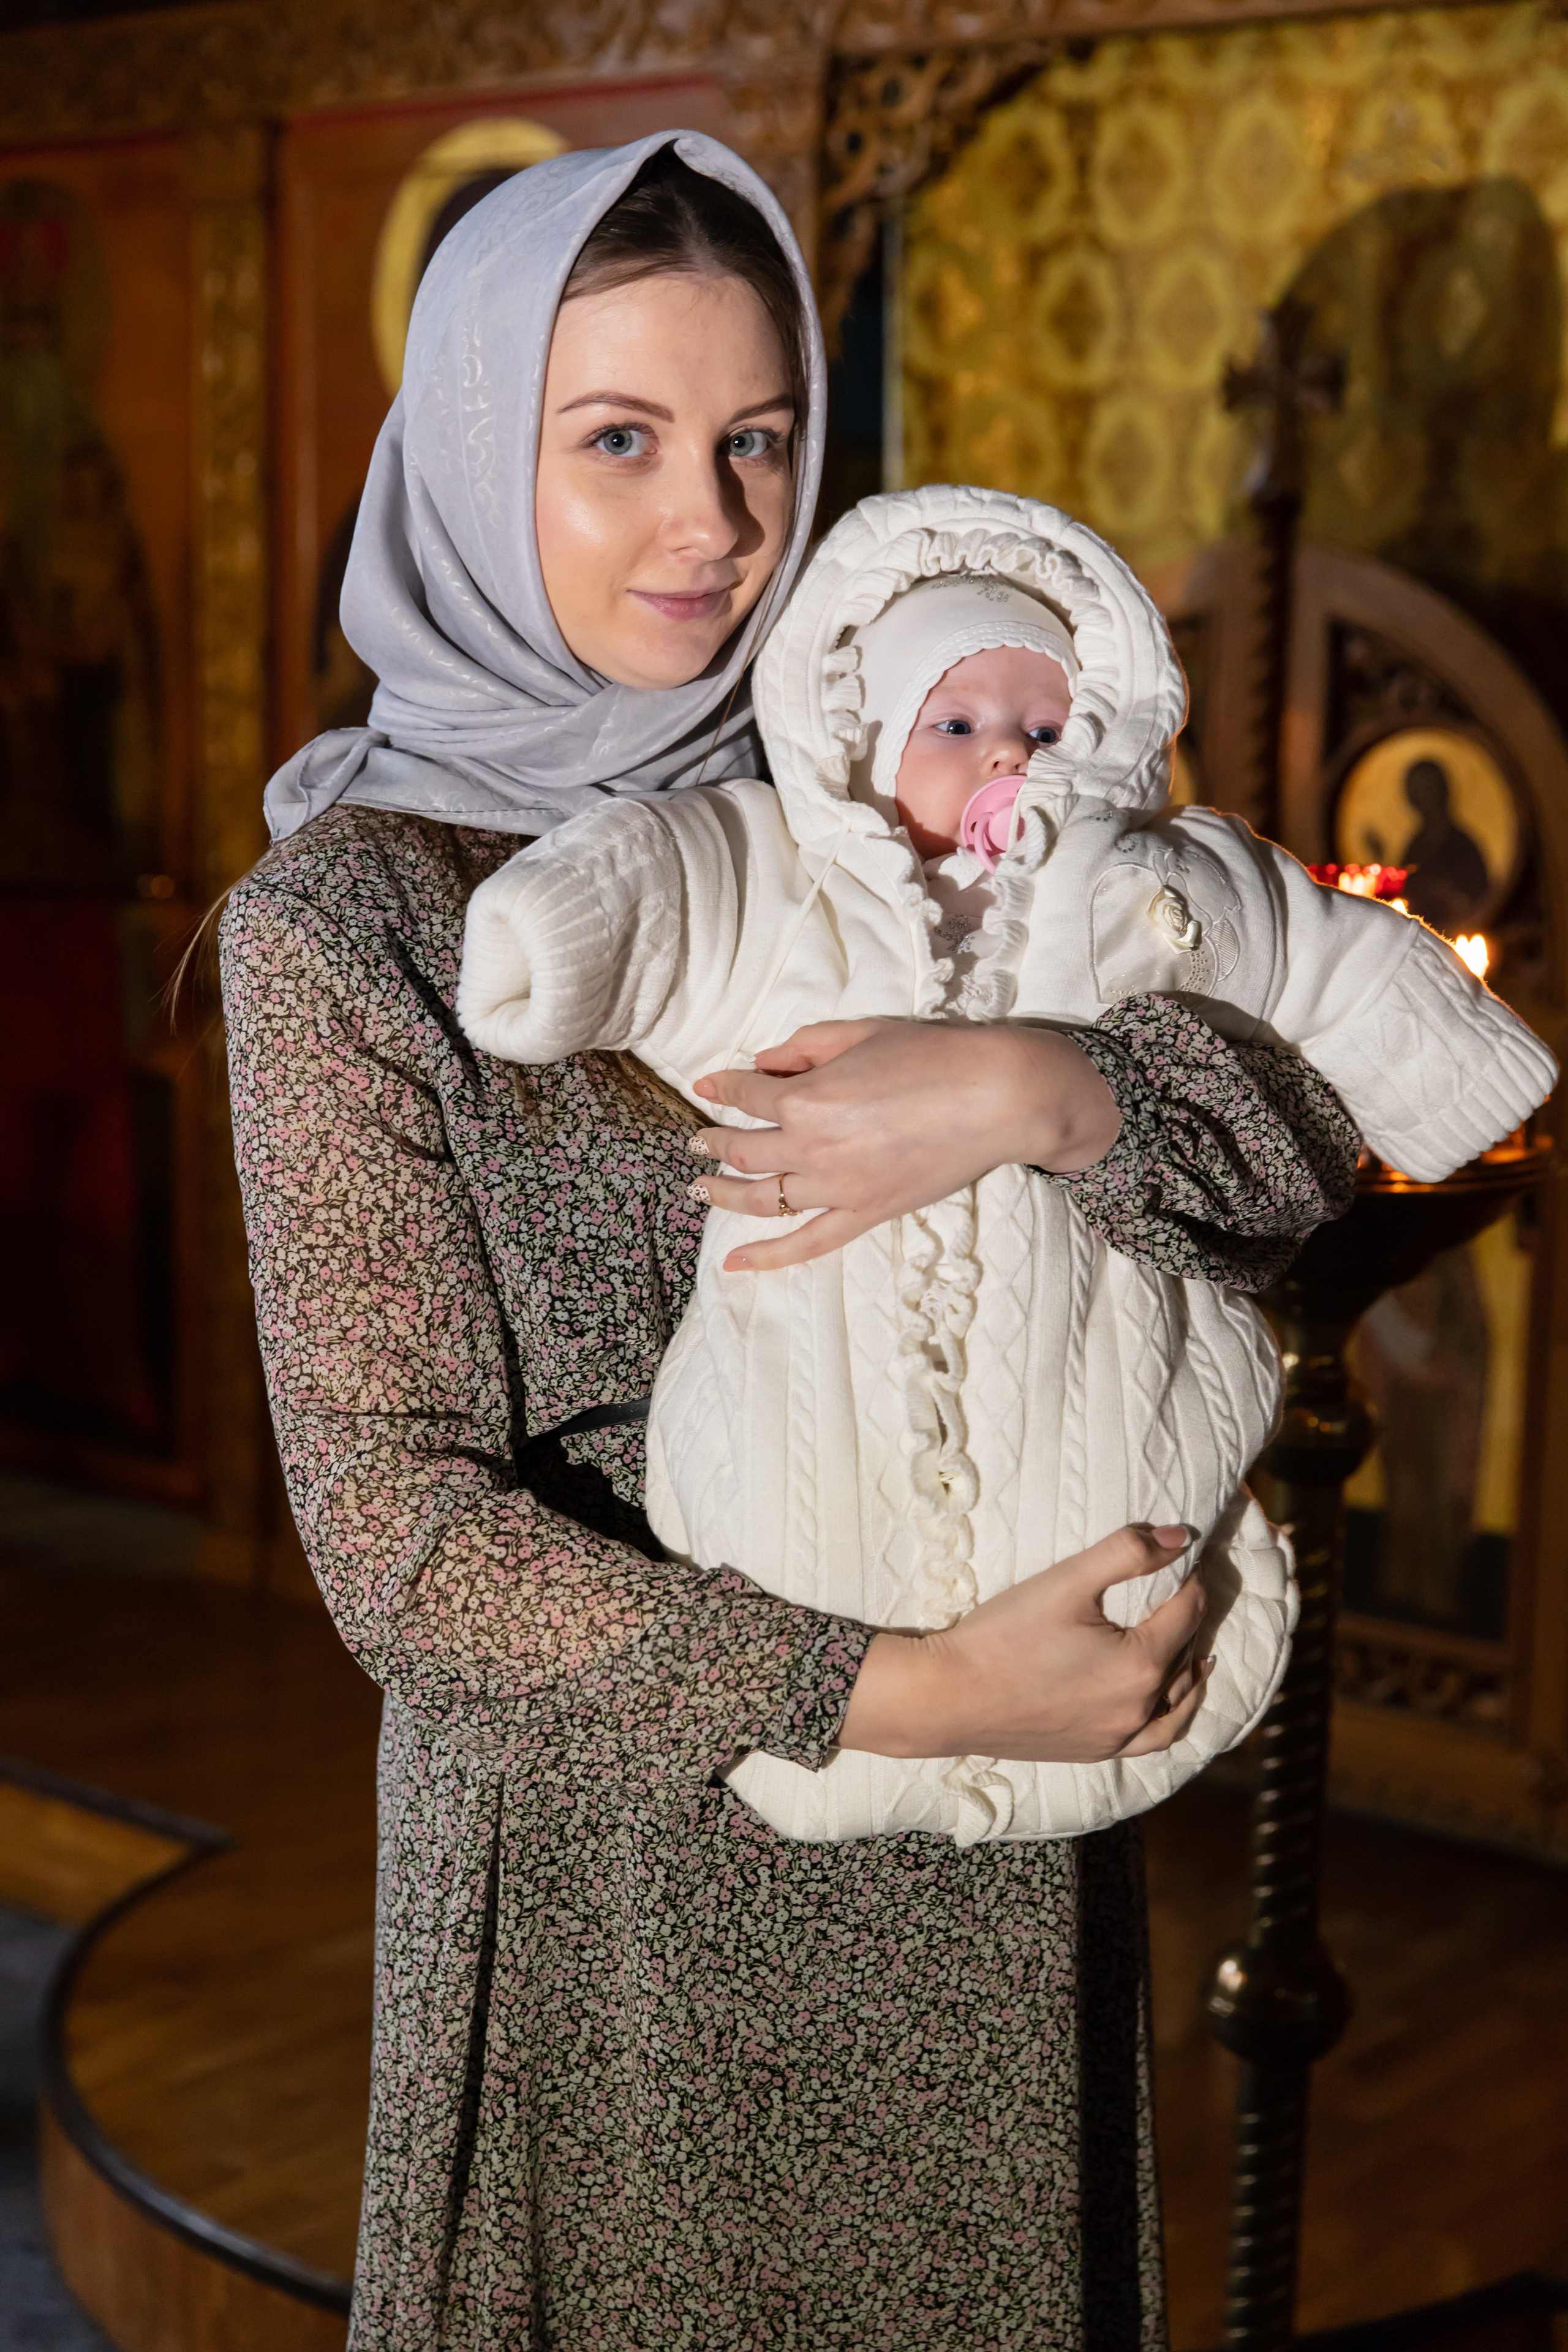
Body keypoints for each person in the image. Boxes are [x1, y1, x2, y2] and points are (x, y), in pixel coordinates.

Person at [222, 134, 1400, 2349]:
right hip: (631, 1896)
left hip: (998, 1869)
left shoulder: (942, 791)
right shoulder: (352, 925)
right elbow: (395, 1541)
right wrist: (925, 1689)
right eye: (619, 443)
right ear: (477, 461)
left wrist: (1045, 1089)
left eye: (759, 440)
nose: (712, 524)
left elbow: (1305, 1148)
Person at [457, 494, 1555, 1852]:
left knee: (1114, 1512)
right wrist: (537, 945)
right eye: (956, 725)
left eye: (1041, 730)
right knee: (799, 1508)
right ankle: (867, 1724)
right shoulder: (787, 871)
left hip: (1093, 1353)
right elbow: (661, 882)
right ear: (861, 742)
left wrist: (1456, 1075)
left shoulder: (1157, 882)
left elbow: (1312, 948)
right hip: (806, 1400)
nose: (1003, 761)